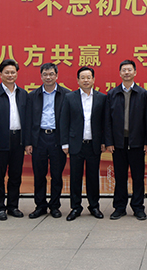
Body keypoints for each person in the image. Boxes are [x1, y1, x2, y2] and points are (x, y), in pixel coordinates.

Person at [0, 59, 30, 221]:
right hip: (0, 140)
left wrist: (27, 142)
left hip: (18, 140)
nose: (10, 75)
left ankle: (13, 206)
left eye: (13, 72)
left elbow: (28, 120)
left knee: (15, 175)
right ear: (1, 74)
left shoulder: (23, 94)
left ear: (17, 74)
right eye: (7, 72)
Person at [59, 66, 106, 221]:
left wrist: (104, 142)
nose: (86, 80)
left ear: (93, 79)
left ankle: (94, 206)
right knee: (75, 177)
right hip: (75, 144)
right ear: (78, 80)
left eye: (88, 77)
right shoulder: (69, 97)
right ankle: (75, 207)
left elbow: (105, 123)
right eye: (83, 78)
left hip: (94, 144)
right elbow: (64, 121)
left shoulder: (101, 98)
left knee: (93, 177)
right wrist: (65, 143)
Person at [105, 60, 147, 221]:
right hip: (118, 143)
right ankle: (119, 207)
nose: (127, 72)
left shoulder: (143, 94)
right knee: (120, 176)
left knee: (138, 177)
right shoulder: (112, 94)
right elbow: (107, 121)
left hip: (137, 142)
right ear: (120, 73)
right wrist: (109, 142)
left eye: (129, 70)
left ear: (135, 72)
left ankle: (138, 207)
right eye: (124, 70)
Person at [28, 63, 70, 219]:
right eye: (45, 74)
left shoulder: (66, 94)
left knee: (56, 175)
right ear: (41, 76)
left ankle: (54, 206)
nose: (48, 77)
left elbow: (69, 121)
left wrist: (66, 142)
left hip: (57, 138)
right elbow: (28, 120)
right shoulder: (33, 95)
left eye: (51, 74)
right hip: (39, 138)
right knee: (39, 174)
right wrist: (28, 142)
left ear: (57, 76)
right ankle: (40, 206)